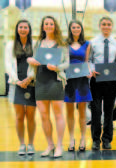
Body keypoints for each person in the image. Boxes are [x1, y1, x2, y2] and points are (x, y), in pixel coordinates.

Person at [27, 16, 69, 158]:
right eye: (46, 24)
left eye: (51, 24)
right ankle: (50, 145)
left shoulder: (62, 44)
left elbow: (67, 63)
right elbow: (32, 59)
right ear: (43, 26)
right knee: (44, 115)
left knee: (58, 115)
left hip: (55, 81)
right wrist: (31, 60)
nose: (49, 26)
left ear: (55, 26)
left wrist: (57, 67)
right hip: (41, 80)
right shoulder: (38, 43)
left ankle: (59, 146)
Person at [89, 16, 116, 150]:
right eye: (104, 24)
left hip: (111, 80)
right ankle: (96, 140)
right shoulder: (93, 42)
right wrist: (91, 69)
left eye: (108, 24)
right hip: (96, 79)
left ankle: (107, 139)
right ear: (99, 26)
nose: (106, 27)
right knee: (96, 111)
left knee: (109, 111)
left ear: (112, 26)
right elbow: (89, 60)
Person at [5, 19, 36, 155]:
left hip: (31, 84)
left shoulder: (35, 44)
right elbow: (7, 64)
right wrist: (17, 80)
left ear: (29, 29)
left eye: (25, 27)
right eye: (21, 27)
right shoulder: (10, 45)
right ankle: (22, 144)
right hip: (16, 84)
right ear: (17, 29)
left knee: (31, 116)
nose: (23, 29)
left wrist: (29, 78)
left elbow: (37, 64)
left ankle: (31, 144)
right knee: (19, 116)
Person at [65, 20, 93, 152]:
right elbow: (63, 61)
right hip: (69, 79)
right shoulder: (65, 43)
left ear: (81, 29)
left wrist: (89, 71)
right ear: (70, 29)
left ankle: (82, 138)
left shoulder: (87, 44)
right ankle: (71, 139)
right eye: (73, 27)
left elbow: (87, 61)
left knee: (82, 111)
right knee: (69, 111)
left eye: (78, 27)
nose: (76, 29)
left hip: (82, 79)